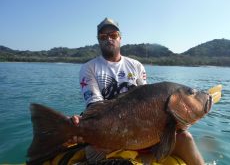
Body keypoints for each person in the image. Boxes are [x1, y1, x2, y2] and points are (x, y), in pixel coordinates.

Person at [70, 17, 205, 165]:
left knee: (186, 138)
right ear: (98, 40)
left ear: (120, 38)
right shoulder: (89, 68)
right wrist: (82, 125)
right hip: (111, 134)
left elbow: (147, 101)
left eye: (113, 35)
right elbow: (94, 105)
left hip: (145, 133)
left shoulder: (136, 65)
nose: (109, 39)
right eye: (103, 36)